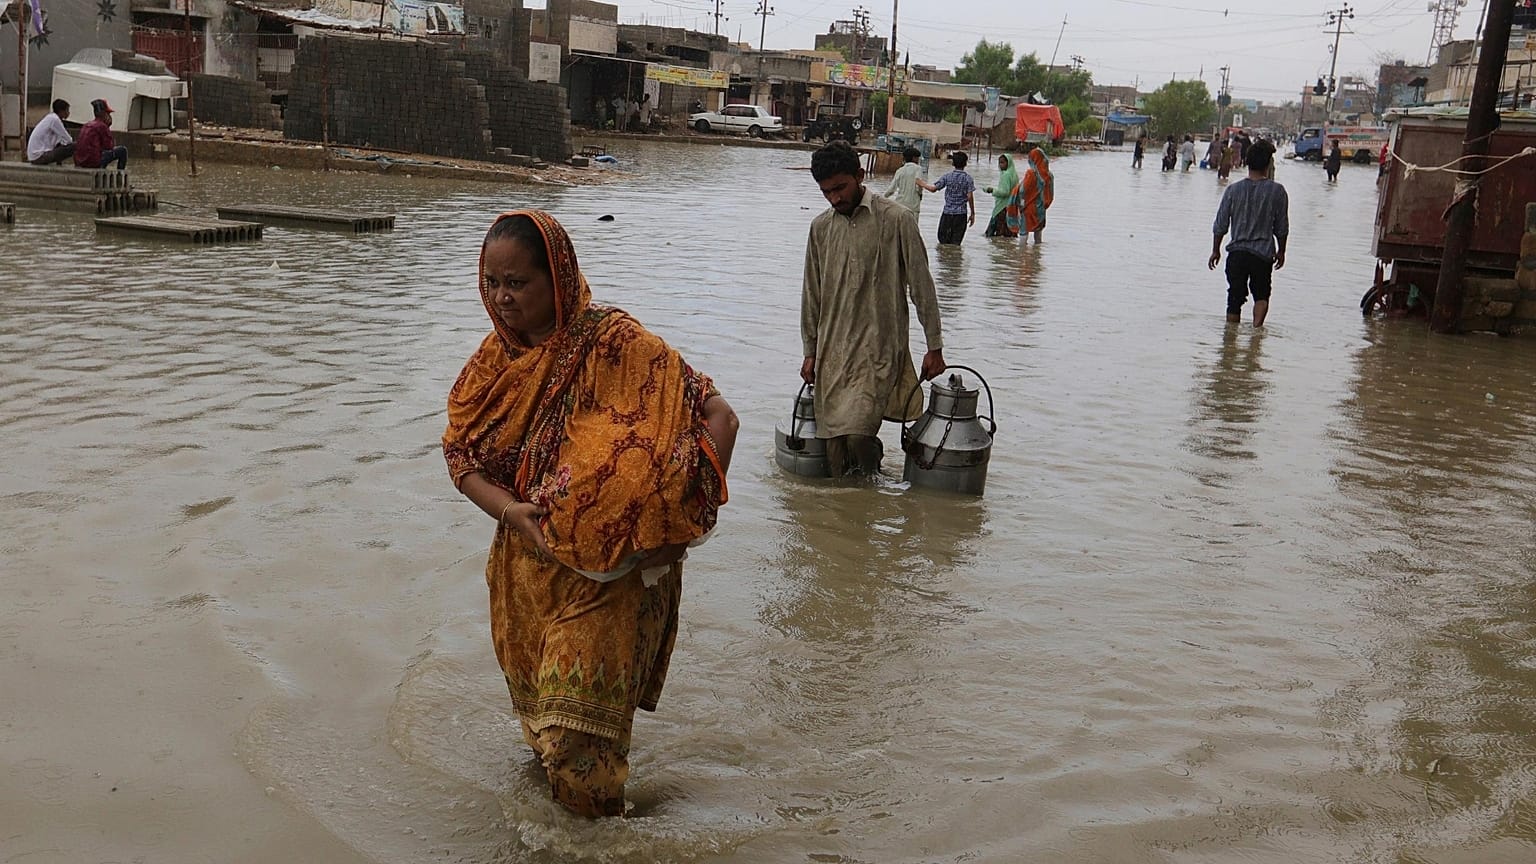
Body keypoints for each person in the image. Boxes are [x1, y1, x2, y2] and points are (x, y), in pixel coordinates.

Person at [444, 210, 738, 818]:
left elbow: (720, 418)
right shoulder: (491, 365)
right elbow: (461, 458)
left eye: (518, 283)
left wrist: (685, 525)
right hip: (526, 575)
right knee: (545, 741)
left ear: (558, 276)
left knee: (582, 747)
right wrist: (512, 513)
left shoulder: (620, 343)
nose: (501, 298)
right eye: (491, 282)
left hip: (614, 584)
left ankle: (598, 847)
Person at [802, 141, 946, 476]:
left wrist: (934, 346)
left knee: (856, 435)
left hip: (879, 350)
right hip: (833, 353)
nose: (835, 198)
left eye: (840, 188)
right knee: (834, 450)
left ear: (860, 176)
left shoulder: (897, 221)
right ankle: (852, 517)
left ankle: (867, 496)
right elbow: (812, 294)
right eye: (826, 192)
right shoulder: (820, 229)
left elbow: (922, 288)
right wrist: (810, 352)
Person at [1208, 140, 1289, 327]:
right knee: (1261, 295)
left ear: (1247, 162)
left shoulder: (1233, 190)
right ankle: (1255, 338)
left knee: (1234, 299)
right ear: (1268, 164)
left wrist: (1215, 250)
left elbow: (1220, 224)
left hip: (1237, 253)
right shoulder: (1277, 191)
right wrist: (1282, 251)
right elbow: (1282, 227)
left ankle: (1230, 343)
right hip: (1262, 255)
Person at [919, 150, 975, 245]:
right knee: (956, 243)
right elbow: (970, 196)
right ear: (965, 164)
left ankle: (944, 259)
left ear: (953, 163)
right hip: (961, 215)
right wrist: (973, 213)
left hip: (947, 213)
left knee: (943, 241)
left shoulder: (947, 177)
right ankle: (954, 259)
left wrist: (921, 183)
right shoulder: (968, 179)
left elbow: (933, 189)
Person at [1010, 147, 1053, 244]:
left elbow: (1022, 190)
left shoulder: (1031, 173)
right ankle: (1036, 256)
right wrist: (1044, 205)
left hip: (1028, 208)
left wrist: (1019, 200)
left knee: (1024, 233)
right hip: (1041, 209)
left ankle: (1021, 255)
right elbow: (1050, 194)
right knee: (1038, 236)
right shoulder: (1050, 176)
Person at [74, 99, 127, 171]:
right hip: (93, 162)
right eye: (108, 113)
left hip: (80, 162)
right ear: (103, 113)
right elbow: (109, 147)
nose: (109, 116)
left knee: (101, 153)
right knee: (122, 150)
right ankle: (120, 175)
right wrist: (107, 126)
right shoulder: (102, 126)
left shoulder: (86, 125)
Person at [981, 153, 1020, 237]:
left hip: (1002, 207)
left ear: (1008, 163)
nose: (1000, 165)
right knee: (1008, 234)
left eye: (1002, 163)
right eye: (999, 163)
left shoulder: (1006, 175)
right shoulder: (1014, 174)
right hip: (1011, 206)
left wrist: (991, 190)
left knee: (996, 233)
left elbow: (1004, 192)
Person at [27, 99, 75, 166]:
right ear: (61, 111)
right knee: (74, 146)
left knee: (60, 145)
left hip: (34, 156)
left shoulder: (50, 118)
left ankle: (59, 164)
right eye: (67, 110)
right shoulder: (55, 120)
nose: (68, 113)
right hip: (39, 156)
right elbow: (69, 140)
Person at [882, 146, 925, 216]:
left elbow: (891, 189)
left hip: (900, 205)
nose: (918, 160)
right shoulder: (918, 169)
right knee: (912, 226)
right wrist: (920, 194)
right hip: (913, 206)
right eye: (917, 158)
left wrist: (882, 198)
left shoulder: (900, 170)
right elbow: (918, 186)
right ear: (914, 158)